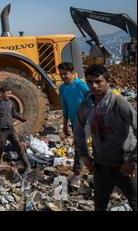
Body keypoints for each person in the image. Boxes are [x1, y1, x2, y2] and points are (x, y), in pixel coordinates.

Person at [74, 64, 137, 211]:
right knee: (100, 203)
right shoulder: (86, 105)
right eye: (90, 82)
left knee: (134, 202)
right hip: (101, 166)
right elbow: (78, 130)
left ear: (107, 81)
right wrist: (84, 155)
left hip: (124, 165)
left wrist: (133, 161)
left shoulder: (119, 103)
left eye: (98, 81)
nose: (94, 86)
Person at [0, 83, 32, 174]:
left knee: (18, 146)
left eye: (10, 93)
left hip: (10, 129)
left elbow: (14, 113)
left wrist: (22, 119)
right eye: (7, 93)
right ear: (2, 93)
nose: (9, 95)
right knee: (0, 148)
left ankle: (27, 166)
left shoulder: (10, 103)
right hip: (0, 130)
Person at [57, 62, 89, 187]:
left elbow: (92, 100)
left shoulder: (81, 85)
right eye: (61, 74)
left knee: (88, 145)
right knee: (79, 146)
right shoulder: (62, 88)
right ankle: (77, 173)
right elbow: (65, 107)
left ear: (72, 73)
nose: (63, 76)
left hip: (88, 121)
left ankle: (79, 173)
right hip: (75, 122)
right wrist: (64, 124)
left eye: (65, 74)